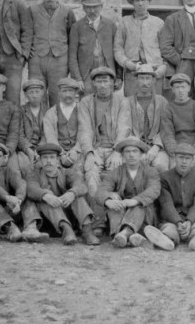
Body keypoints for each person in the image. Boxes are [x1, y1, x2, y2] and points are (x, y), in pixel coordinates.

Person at [77, 66, 132, 232]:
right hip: (96, 148)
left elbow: (124, 127)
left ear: (112, 83)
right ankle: (98, 221)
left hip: (116, 147)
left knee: (119, 174)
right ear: (93, 83)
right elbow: (85, 130)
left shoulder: (122, 101)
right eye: (99, 81)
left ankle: (119, 222)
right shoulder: (86, 102)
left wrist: (117, 151)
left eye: (106, 81)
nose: (102, 85)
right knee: (91, 174)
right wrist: (89, 153)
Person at [26, 142, 99, 245]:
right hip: (50, 221)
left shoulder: (67, 172)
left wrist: (71, 193)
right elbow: (31, 189)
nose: (48, 161)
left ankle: (87, 232)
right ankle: (67, 231)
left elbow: (81, 185)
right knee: (44, 200)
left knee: (78, 197)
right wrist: (46, 196)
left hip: (68, 214)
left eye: (52, 157)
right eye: (45, 158)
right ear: (40, 160)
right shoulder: (35, 174)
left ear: (58, 160)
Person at [96, 138, 161, 249]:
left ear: (141, 154)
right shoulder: (115, 172)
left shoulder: (150, 171)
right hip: (121, 212)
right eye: (127, 151)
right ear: (122, 155)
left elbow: (154, 189)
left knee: (138, 206)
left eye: (135, 151)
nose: (131, 155)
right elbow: (101, 191)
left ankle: (125, 234)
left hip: (144, 214)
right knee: (115, 206)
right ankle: (129, 236)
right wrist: (108, 201)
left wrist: (134, 200)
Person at [0, 142, 48, 243]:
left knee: (26, 195)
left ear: (4, 159)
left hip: (7, 212)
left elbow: (21, 183)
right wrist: (8, 198)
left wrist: (18, 200)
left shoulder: (8, 170)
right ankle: (11, 229)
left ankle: (31, 228)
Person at [149, 143, 195, 251]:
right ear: (175, 158)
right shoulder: (164, 178)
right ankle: (168, 239)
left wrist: (189, 221)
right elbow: (166, 204)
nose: (184, 162)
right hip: (172, 217)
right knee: (170, 228)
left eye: (187, 158)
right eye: (181, 158)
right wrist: (178, 222)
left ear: (193, 160)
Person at [28, 0, 77, 107]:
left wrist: (69, 58)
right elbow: (26, 33)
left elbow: (72, 37)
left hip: (59, 59)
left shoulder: (67, 12)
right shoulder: (32, 11)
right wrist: (27, 49)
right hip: (37, 59)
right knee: (37, 93)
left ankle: (56, 119)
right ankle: (39, 120)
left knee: (57, 94)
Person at [115, 0, 166, 97]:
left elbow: (166, 48)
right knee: (132, 102)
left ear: (148, 2)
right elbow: (118, 48)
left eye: (143, 0)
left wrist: (163, 66)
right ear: (132, 3)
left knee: (155, 102)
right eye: (137, 0)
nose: (140, 3)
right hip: (132, 71)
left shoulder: (158, 23)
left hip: (154, 70)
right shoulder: (124, 22)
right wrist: (127, 63)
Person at [68, 0, 119, 92]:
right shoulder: (77, 27)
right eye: (88, 7)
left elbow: (117, 51)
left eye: (95, 7)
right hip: (86, 75)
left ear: (101, 6)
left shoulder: (110, 25)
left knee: (107, 99)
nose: (92, 11)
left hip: (107, 73)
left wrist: (119, 77)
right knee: (87, 100)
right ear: (83, 8)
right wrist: (77, 79)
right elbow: (72, 56)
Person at [161, 73, 195, 173]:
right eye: (177, 87)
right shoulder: (168, 108)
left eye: (183, 87)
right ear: (172, 89)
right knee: (176, 171)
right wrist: (174, 152)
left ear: (189, 88)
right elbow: (168, 134)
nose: (180, 90)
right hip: (177, 147)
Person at [126, 65, 170, 172]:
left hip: (158, 147)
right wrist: (138, 147)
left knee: (161, 166)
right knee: (134, 166)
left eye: (148, 78)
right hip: (134, 146)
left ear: (154, 80)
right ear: (136, 80)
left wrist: (156, 147)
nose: (145, 82)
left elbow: (166, 128)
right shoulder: (127, 102)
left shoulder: (162, 101)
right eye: (141, 78)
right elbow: (126, 129)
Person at [42, 77, 83, 170]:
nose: (67, 94)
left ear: (76, 93)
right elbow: (50, 136)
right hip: (57, 152)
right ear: (59, 93)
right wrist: (61, 153)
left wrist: (75, 150)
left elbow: (85, 132)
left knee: (79, 172)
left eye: (70, 91)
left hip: (79, 151)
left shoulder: (83, 111)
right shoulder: (50, 113)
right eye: (64, 91)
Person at [16, 78, 47, 172]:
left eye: (37, 92)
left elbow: (47, 134)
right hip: (25, 149)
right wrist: (28, 149)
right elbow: (19, 135)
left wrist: (39, 149)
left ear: (42, 93)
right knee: (24, 166)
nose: (34, 95)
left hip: (43, 148)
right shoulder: (20, 111)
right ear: (25, 94)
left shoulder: (48, 111)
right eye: (31, 92)